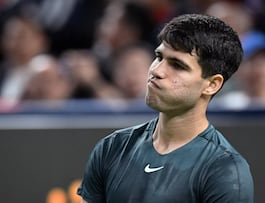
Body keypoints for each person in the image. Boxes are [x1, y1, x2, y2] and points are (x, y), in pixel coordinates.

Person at [77, 14, 254, 203]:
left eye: (177, 65)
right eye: (158, 56)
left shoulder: (225, 171)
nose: (157, 71)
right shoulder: (111, 148)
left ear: (212, 84)